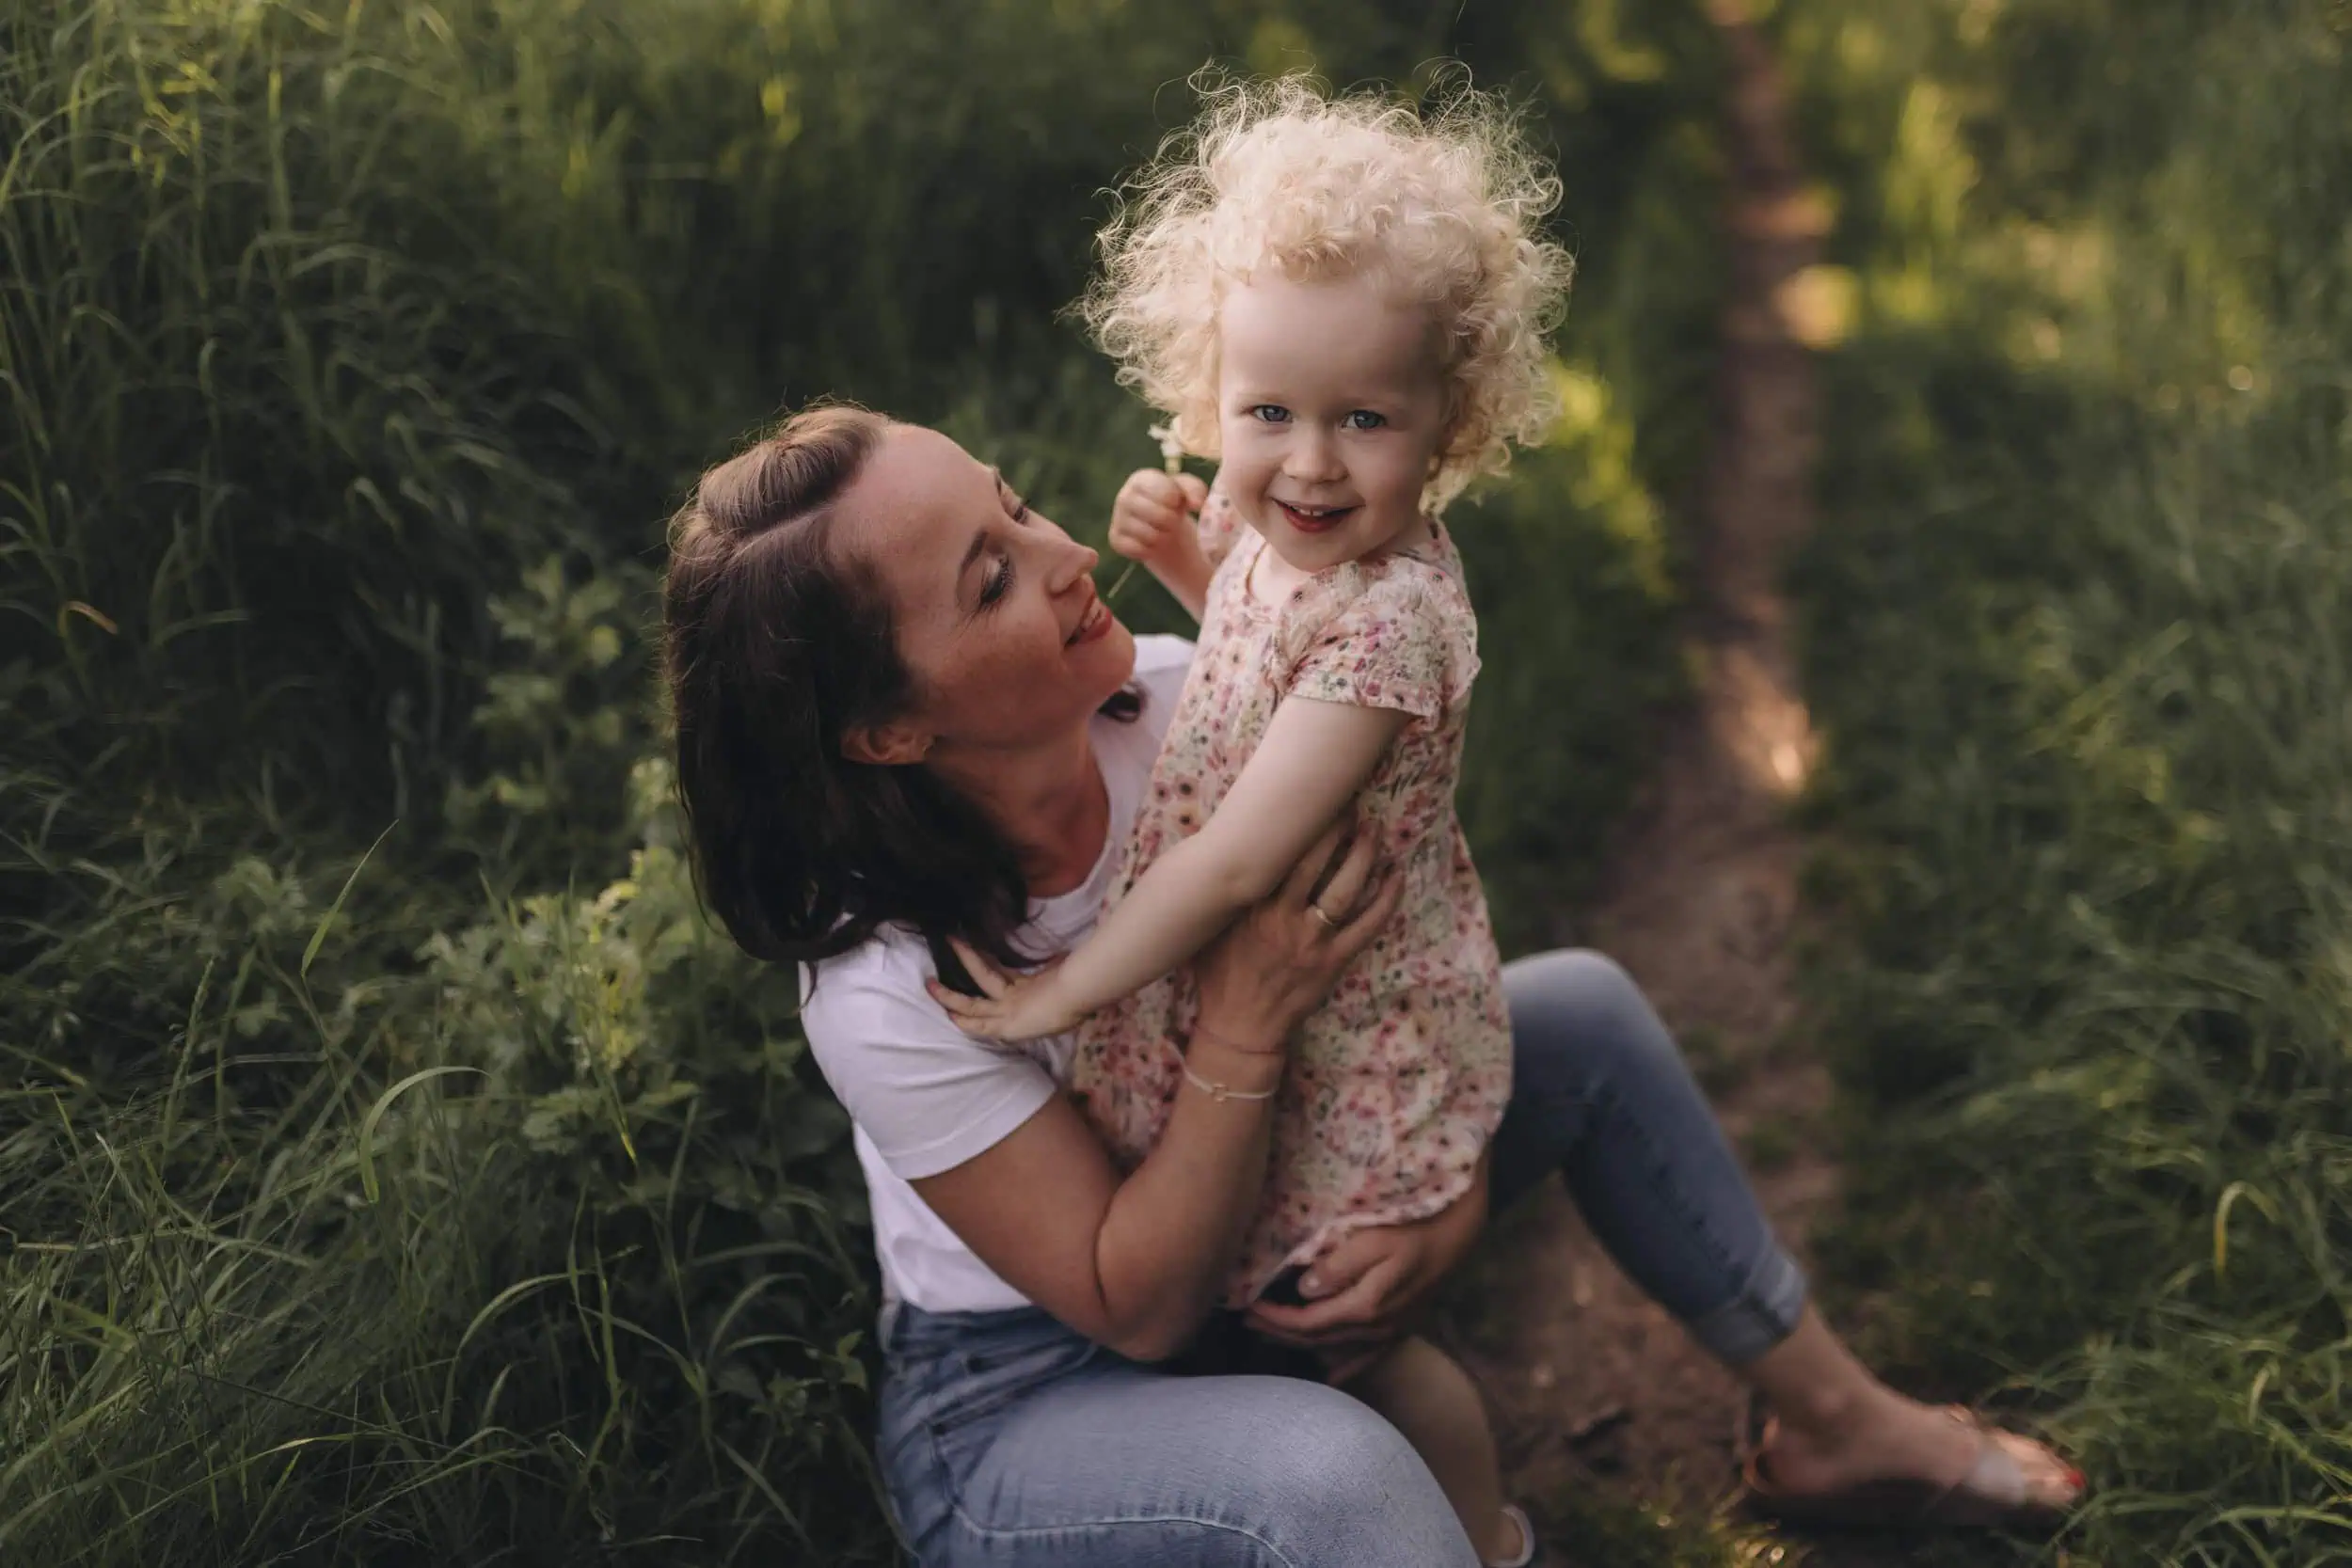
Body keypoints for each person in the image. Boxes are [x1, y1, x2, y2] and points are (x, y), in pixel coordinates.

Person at [661, 404, 2083, 1566]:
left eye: (1018, 505)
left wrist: (1439, 1192)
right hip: (1035, 1394)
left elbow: (1416, 973)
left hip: (1269, 1213)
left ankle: (1838, 1427)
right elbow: (1138, 1307)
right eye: (989, 578)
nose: (1064, 552)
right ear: (889, 728)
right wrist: (1247, 1013)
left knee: (1574, 1012)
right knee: (1335, 1476)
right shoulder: (885, 982)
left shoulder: (1176, 702)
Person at [929, 80, 1568, 1564]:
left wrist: (1066, 987)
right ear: (1210, 391)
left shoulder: (1402, 617)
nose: (1309, 464)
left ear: (1451, 423)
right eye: (1266, 412)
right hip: (1299, 984)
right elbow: (1272, 663)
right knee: (1311, 1349)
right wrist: (1199, 574)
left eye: (1365, 420)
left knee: (1346, 1349)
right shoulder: (1290, 547)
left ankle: (1476, 1537)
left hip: (1347, 1015)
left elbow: (1233, 854)